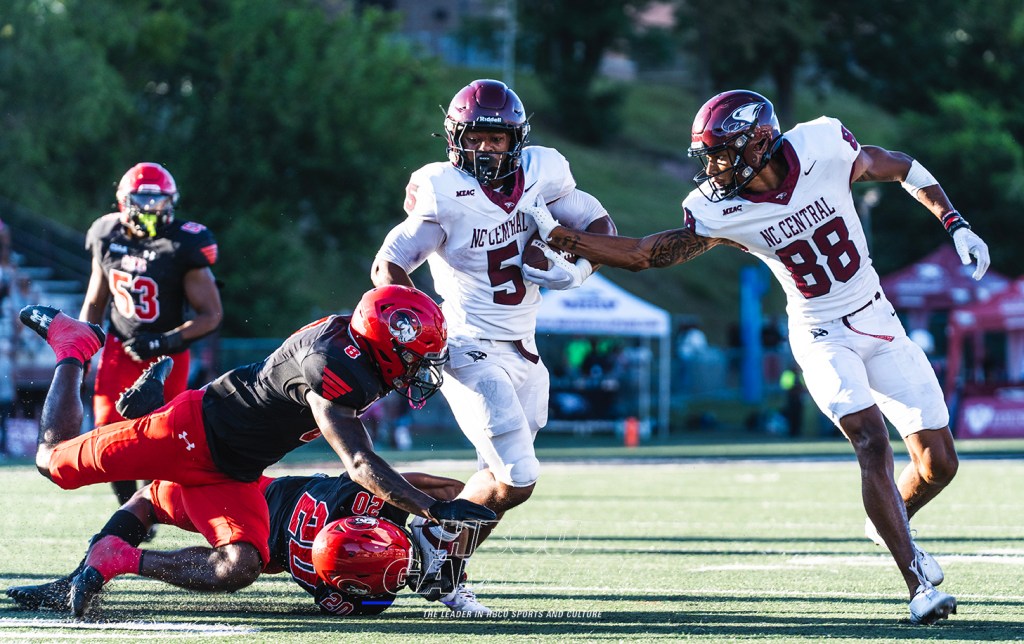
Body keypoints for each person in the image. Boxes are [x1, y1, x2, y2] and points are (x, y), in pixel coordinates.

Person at [524, 89, 988, 626]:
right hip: (820, 333)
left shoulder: (823, 145)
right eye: (710, 155)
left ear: (761, 142)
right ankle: (915, 581)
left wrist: (955, 223)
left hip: (879, 320)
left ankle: (890, 521)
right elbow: (645, 254)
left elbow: (900, 166)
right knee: (870, 438)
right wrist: (563, 237)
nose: (714, 167)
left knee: (939, 465)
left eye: (722, 152)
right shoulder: (718, 209)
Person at [15, 284, 495, 617]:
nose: (417, 370)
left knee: (241, 565)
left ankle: (118, 558)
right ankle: (73, 347)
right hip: (188, 436)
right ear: (385, 344)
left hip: (234, 470)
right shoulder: (337, 367)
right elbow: (358, 463)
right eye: (414, 358)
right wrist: (431, 510)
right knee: (52, 463)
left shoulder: (357, 341)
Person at [371, 79, 617, 610]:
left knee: (495, 476)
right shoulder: (443, 190)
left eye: (497, 139)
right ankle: (433, 540)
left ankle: (442, 561)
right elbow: (388, 265)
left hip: (524, 348)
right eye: (476, 138)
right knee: (520, 476)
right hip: (466, 344)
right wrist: (420, 332)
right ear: (456, 139)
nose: (486, 149)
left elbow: (598, 222)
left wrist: (579, 269)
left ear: (516, 140)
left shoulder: (543, 175)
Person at [8, 468, 470, 617]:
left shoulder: (364, 498)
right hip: (242, 509)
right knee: (235, 565)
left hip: (257, 486)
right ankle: (121, 560)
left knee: (147, 498)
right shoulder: (331, 589)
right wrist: (440, 556)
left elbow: (442, 489)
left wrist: (426, 530)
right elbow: (372, 604)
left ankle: (80, 576)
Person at [80, 162, 224, 506]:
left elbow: (211, 315)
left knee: (162, 436)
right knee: (107, 431)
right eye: (142, 201)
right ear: (123, 202)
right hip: (120, 346)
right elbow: (94, 301)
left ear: (170, 202)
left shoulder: (182, 244)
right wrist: (83, 350)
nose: (149, 209)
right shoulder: (105, 234)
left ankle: (150, 508)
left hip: (168, 352)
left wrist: (163, 341)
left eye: (157, 201)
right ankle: (128, 512)